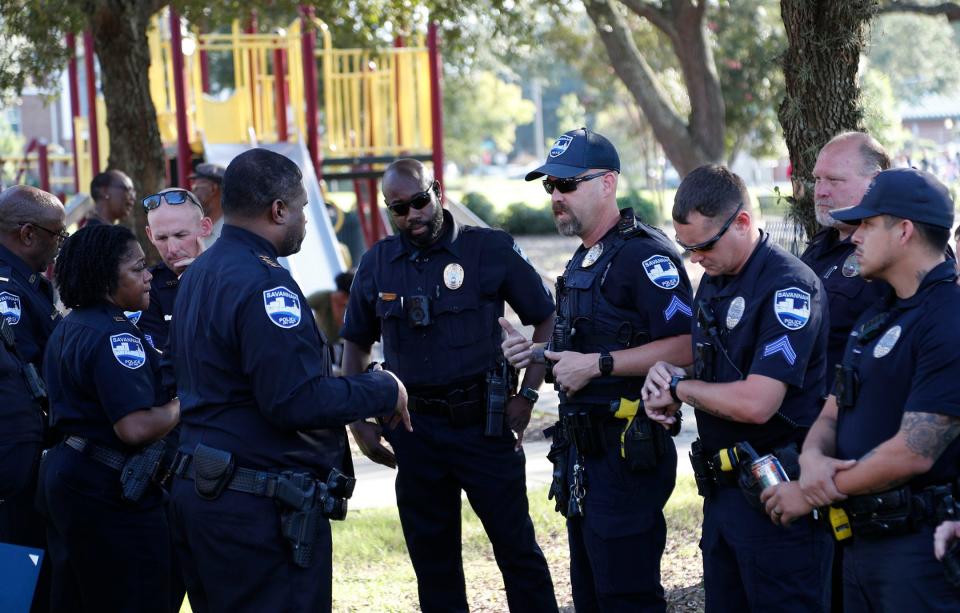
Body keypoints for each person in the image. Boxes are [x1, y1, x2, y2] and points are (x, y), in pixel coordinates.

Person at [167, 148, 407, 613]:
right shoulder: (265, 284)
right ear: (278, 209)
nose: (304, 221)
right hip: (254, 511)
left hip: (208, 496)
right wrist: (382, 388)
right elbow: (293, 400)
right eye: (300, 208)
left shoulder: (201, 273)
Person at [341, 158, 557, 613]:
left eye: (419, 201)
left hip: (486, 425)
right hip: (415, 432)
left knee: (517, 551)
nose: (411, 215)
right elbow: (356, 345)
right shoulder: (377, 263)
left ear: (437, 190)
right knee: (433, 564)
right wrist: (359, 417)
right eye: (398, 209)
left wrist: (529, 394)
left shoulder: (489, 249)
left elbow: (547, 317)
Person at [499, 128, 693, 612]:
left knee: (626, 598)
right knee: (592, 596)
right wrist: (539, 354)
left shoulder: (645, 255)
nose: (556, 197)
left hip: (628, 453)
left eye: (567, 185)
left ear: (608, 183)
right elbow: (584, 347)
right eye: (550, 187)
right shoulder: (587, 256)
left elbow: (689, 344)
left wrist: (602, 364)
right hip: (584, 457)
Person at [763, 168, 960, 611]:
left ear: (905, 231)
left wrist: (812, 489)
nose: (853, 236)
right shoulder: (877, 318)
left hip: (919, 553)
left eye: (868, 224)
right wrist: (812, 459)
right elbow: (832, 410)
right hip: (856, 545)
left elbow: (915, 451)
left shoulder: (948, 318)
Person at [642, 164, 832, 611]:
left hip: (778, 495)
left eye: (703, 245)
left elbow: (758, 403)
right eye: (687, 248)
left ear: (743, 222)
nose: (695, 258)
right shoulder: (715, 279)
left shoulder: (789, 286)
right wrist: (666, 383)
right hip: (723, 494)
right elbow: (711, 374)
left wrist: (681, 389)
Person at [39, 224, 180, 612]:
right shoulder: (116, 336)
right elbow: (133, 426)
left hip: (72, 478)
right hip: (108, 489)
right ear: (105, 279)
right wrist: (183, 403)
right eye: (137, 269)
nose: (149, 274)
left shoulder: (71, 325)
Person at [0, 185, 66, 613]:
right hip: (15, 467)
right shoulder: (10, 294)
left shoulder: (26, 285)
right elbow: (25, 379)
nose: (60, 245)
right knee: (19, 591)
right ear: (27, 234)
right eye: (57, 235)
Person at [802, 132, 891, 374]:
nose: (820, 191)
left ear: (876, 182)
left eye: (834, 180)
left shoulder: (896, 251)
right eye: (818, 179)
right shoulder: (821, 242)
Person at [138, 188, 212, 350]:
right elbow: (163, 363)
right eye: (162, 238)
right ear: (150, 236)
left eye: (180, 235)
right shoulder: (146, 287)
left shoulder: (232, 277)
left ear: (205, 227)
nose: (172, 249)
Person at [189, 163, 225, 247]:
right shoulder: (194, 230)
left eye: (196, 187)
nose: (192, 193)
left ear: (213, 189)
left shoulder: (230, 233)